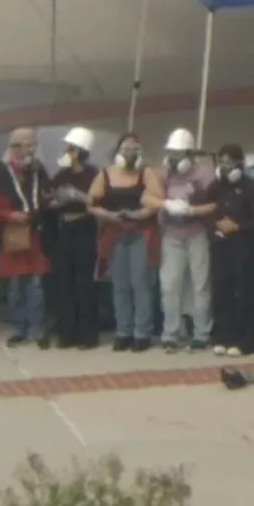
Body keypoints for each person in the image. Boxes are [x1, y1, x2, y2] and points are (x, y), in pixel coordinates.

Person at [143, 128, 216, 353]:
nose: (174, 158)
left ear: (190, 154)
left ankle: (202, 332)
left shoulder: (205, 174)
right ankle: (171, 333)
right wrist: (166, 204)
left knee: (200, 284)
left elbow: (216, 203)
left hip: (197, 233)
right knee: (169, 285)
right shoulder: (163, 174)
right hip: (171, 235)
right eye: (171, 153)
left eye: (179, 153)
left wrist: (193, 210)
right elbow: (146, 197)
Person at [88, 133, 163, 352]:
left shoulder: (146, 173)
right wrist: (109, 215)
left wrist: (140, 214)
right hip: (116, 232)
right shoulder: (106, 174)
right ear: (118, 151)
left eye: (134, 148)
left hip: (140, 232)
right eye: (125, 148)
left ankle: (142, 332)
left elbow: (157, 201)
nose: (129, 152)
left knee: (141, 284)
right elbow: (91, 202)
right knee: (120, 285)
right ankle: (123, 331)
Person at [190, 144, 254, 357]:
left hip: (244, 248)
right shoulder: (215, 187)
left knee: (245, 292)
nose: (225, 167)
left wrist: (238, 227)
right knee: (222, 291)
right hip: (221, 246)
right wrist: (216, 226)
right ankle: (224, 336)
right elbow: (205, 211)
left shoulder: (251, 188)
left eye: (229, 163)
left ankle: (247, 339)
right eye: (221, 162)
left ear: (240, 164)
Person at [0, 127, 52, 348]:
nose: (32, 148)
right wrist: (9, 215)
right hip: (11, 237)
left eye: (33, 144)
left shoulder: (37, 169)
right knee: (15, 288)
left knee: (36, 286)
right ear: (14, 147)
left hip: (33, 236)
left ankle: (37, 329)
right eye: (27, 144)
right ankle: (19, 328)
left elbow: (45, 196)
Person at [49, 127, 100, 349]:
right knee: (64, 282)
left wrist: (77, 195)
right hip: (65, 230)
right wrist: (56, 201)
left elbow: (98, 200)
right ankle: (66, 332)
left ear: (79, 151)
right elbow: (48, 200)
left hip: (84, 227)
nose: (66, 152)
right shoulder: (61, 175)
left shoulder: (92, 174)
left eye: (69, 148)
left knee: (84, 283)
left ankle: (88, 334)